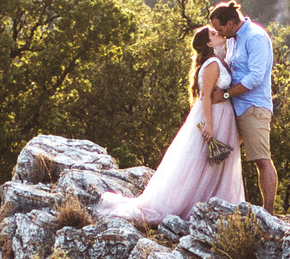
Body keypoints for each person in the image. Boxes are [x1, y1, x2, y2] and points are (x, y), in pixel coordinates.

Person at [98, 24, 245, 222]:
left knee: (214, 163)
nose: (217, 33)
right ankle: (190, 204)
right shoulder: (212, 64)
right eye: (212, 33)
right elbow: (205, 97)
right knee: (203, 162)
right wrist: (209, 125)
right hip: (214, 116)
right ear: (209, 43)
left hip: (223, 116)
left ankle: (214, 201)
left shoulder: (219, 61)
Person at [210, 0, 277, 211]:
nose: (218, 32)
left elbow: (255, 77)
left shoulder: (255, 37)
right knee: (221, 155)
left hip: (253, 106)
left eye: (219, 28)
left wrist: (227, 93)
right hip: (233, 107)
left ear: (230, 23)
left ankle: (269, 212)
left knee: (261, 159)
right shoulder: (233, 39)